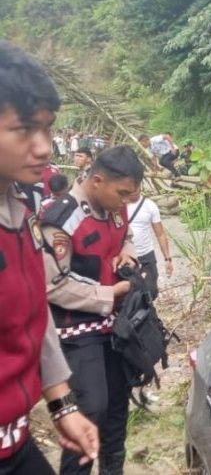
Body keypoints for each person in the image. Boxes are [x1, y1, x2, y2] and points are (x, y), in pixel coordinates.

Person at [0, 40, 99, 474]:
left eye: (48, 128)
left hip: (15, 442)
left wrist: (62, 404)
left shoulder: (17, 210)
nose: (44, 148)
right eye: (24, 129)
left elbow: (34, 315)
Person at [42, 145, 143, 475]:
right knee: (90, 409)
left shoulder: (116, 208)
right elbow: (52, 285)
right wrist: (107, 294)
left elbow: (125, 234)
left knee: (116, 409)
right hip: (76, 328)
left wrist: (127, 252)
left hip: (116, 324)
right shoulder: (60, 219)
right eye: (123, 193)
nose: (126, 202)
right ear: (97, 180)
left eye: (132, 196)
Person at [126, 188, 173, 299]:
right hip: (125, 257)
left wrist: (167, 259)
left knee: (151, 292)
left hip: (146, 256)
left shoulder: (150, 206)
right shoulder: (117, 203)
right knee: (129, 295)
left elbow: (160, 234)